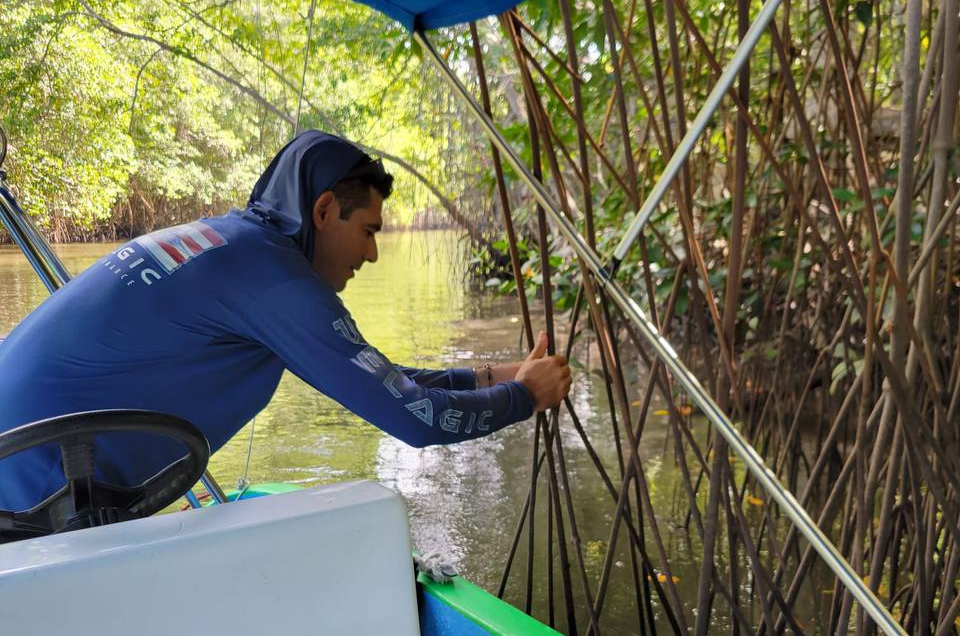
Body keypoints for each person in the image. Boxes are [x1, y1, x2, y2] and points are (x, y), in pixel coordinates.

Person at [0, 131, 571, 513]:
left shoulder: (233, 244)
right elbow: (417, 420)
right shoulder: (275, 280)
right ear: (323, 210)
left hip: (28, 460)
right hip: (34, 488)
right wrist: (524, 397)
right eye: (369, 230)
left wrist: (495, 374)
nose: (372, 255)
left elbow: (381, 378)